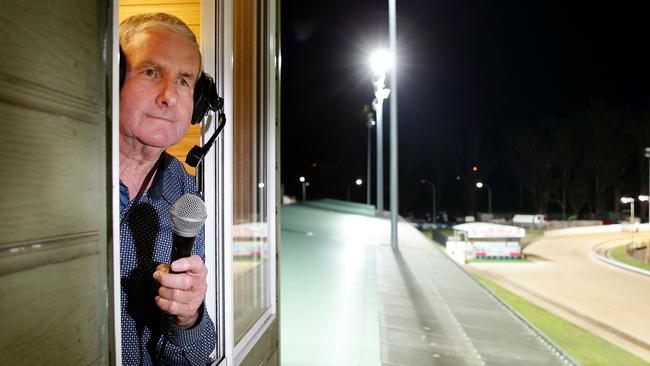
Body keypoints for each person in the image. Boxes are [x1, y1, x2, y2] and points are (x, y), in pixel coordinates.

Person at [119, 13, 216, 365]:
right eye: (150, 72)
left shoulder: (184, 193)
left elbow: (191, 358)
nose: (168, 97)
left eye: (184, 81)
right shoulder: (63, 176)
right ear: (109, 81)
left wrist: (188, 318)